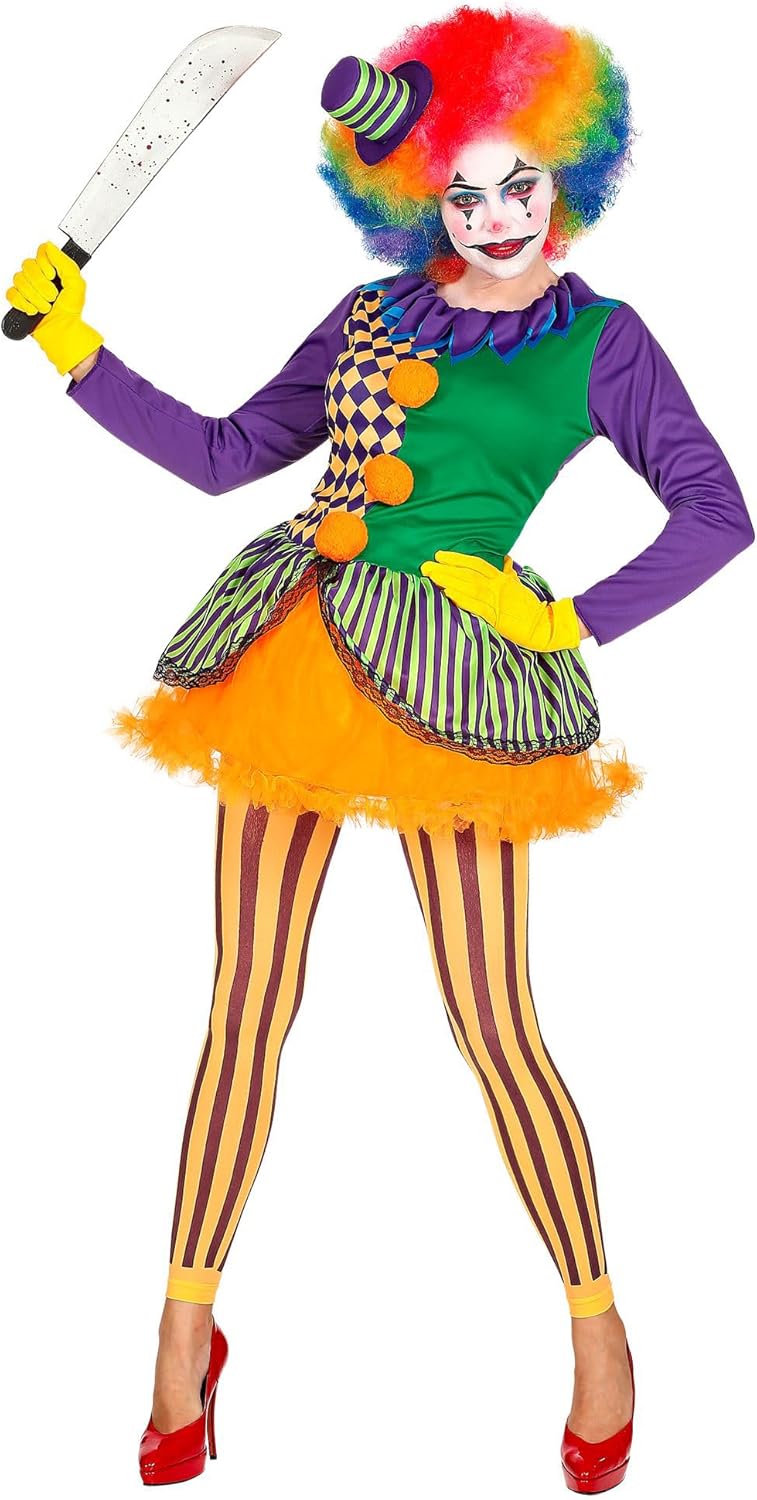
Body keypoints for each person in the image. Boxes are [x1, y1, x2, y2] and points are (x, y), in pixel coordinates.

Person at [6, 6, 753, 1491]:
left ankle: (599, 1328)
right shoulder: (370, 315)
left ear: (569, 173)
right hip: (293, 654)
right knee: (245, 1003)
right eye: (460, 191)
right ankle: (181, 1331)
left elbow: (717, 513)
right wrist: (79, 354)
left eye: (519, 183)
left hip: (459, 683)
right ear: (417, 194)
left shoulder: (601, 341)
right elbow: (229, 454)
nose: (491, 215)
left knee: (492, 1021)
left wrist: (569, 619)